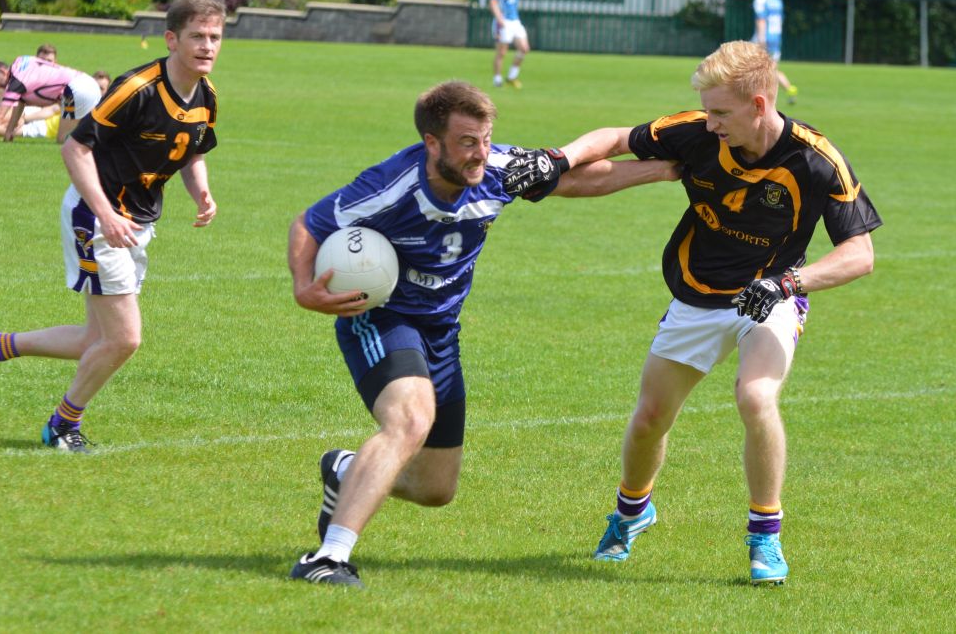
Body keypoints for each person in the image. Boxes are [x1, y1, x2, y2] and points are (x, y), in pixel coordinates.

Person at [504, 40, 882, 585]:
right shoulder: (699, 131)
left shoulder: (817, 160)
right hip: (698, 293)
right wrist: (557, 160)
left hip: (770, 293)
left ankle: (764, 538)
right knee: (650, 418)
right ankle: (632, 511)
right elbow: (615, 140)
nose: (710, 124)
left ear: (758, 104)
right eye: (707, 110)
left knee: (755, 397)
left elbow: (859, 255)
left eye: (721, 112)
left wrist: (786, 284)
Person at [286, 80, 676, 588]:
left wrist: (667, 170)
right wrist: (302, 288)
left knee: (434, 488)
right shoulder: (389, 186)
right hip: (382, 317)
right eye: (468, 142)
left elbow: (583, 181)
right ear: (432, 143)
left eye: (487, 139)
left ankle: (346, 470)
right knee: (410, 420)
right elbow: (309, 223)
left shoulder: (497, 170)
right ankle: (328, 558)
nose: (481, 153)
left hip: (442, 330)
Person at [0, 0, 226, 452]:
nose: (207, 46)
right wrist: (105, 213)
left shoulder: (206, 95)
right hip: (98, 217)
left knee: (95, 337)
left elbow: (194, 151)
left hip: (136, 222)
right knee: (125, 339)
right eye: (197, 36)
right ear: (171, 39)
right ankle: (62, 424)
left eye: (215, 37)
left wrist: (201, 190)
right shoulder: (137, 88)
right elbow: (75, 147)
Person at [0, 55, 102, 144]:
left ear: (3, 71)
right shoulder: (21, 61)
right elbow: (20, 102)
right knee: (92, 128)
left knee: (62, 139)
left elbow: (0, 113)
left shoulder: (16, 82)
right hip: (89, 82)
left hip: (74, 90)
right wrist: (9, 133)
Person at [752, 0, 799, 105]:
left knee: (752, 69)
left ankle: (759, 99)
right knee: (771, 69)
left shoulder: (760, 0)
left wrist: (761, 40)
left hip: (764, 38)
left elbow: (761, 19)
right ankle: (789, 89)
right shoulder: (776, 0)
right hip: (776, 38)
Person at [489, 0, 528, 90]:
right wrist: (499, 19)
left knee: (524, 48)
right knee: (502, 52)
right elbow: (493, 2)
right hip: (504, 22)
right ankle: (497, 79)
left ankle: (511, 77)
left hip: (515, 21)